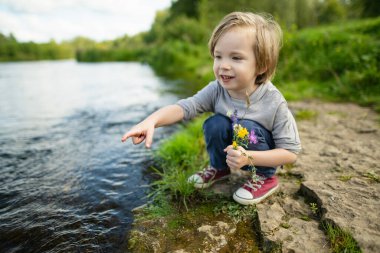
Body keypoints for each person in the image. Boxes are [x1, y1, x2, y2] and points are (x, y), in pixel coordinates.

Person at [121, 12, 301, 205]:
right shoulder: (217, 89)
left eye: (236, 58)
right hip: (234, 152)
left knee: (247, 126)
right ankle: (219, 168)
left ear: (262, 65)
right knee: (214, 123)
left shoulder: (274, 101)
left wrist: (249, 158)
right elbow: (185, 107)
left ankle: (265, 178)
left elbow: (290, 153)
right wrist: (152, 121)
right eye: (218, 56)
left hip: (258, 156)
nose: (223, 65)